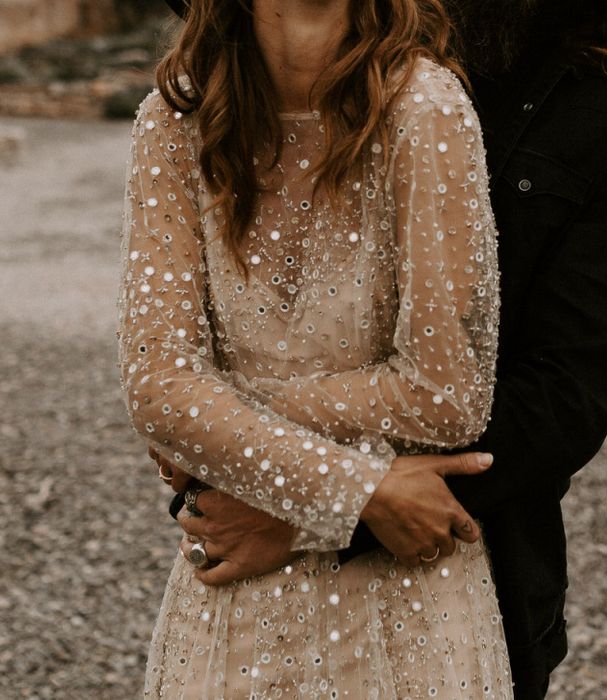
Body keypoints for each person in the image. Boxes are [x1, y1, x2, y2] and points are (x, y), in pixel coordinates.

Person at [154, 1, 607, 697]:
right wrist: (203, 419)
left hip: (459, 556)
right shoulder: (357, 43)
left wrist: (315, 504)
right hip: (245, 557)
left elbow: (569, 390)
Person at [120, 0, 513, 696]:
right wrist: (358, 487)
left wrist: (214, 420)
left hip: (403, 599)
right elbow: (156, 385)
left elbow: (447, 396)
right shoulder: (172, 119)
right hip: (232, 598)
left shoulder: (427, 109)